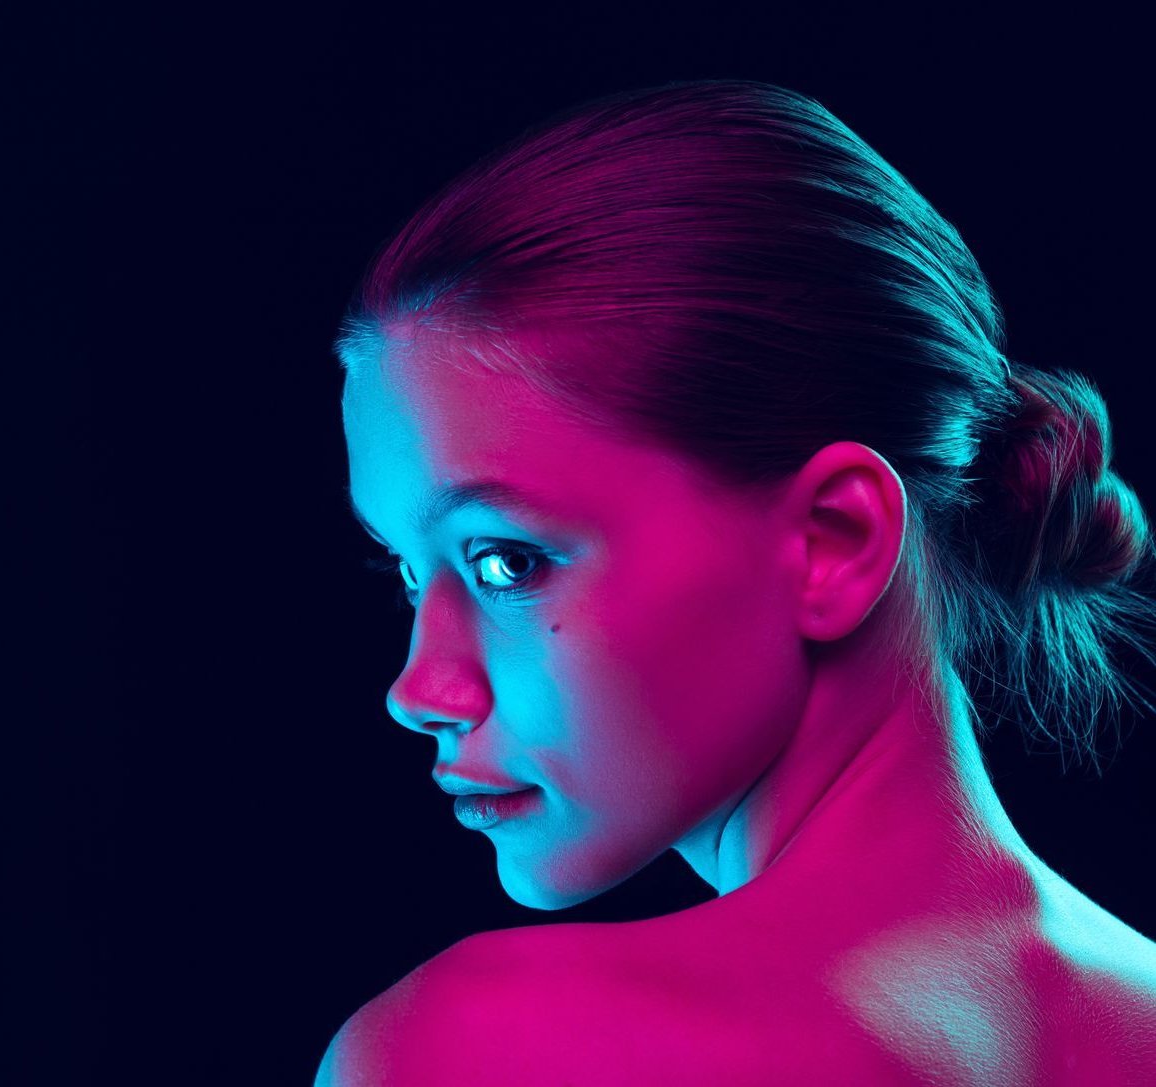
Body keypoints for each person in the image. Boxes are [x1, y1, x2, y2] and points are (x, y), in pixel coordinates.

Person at [317, 80, 1156, 1085]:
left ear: (832, 539)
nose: (418, 691)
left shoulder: (487, 1049)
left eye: (506, 563)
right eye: (412, 577)